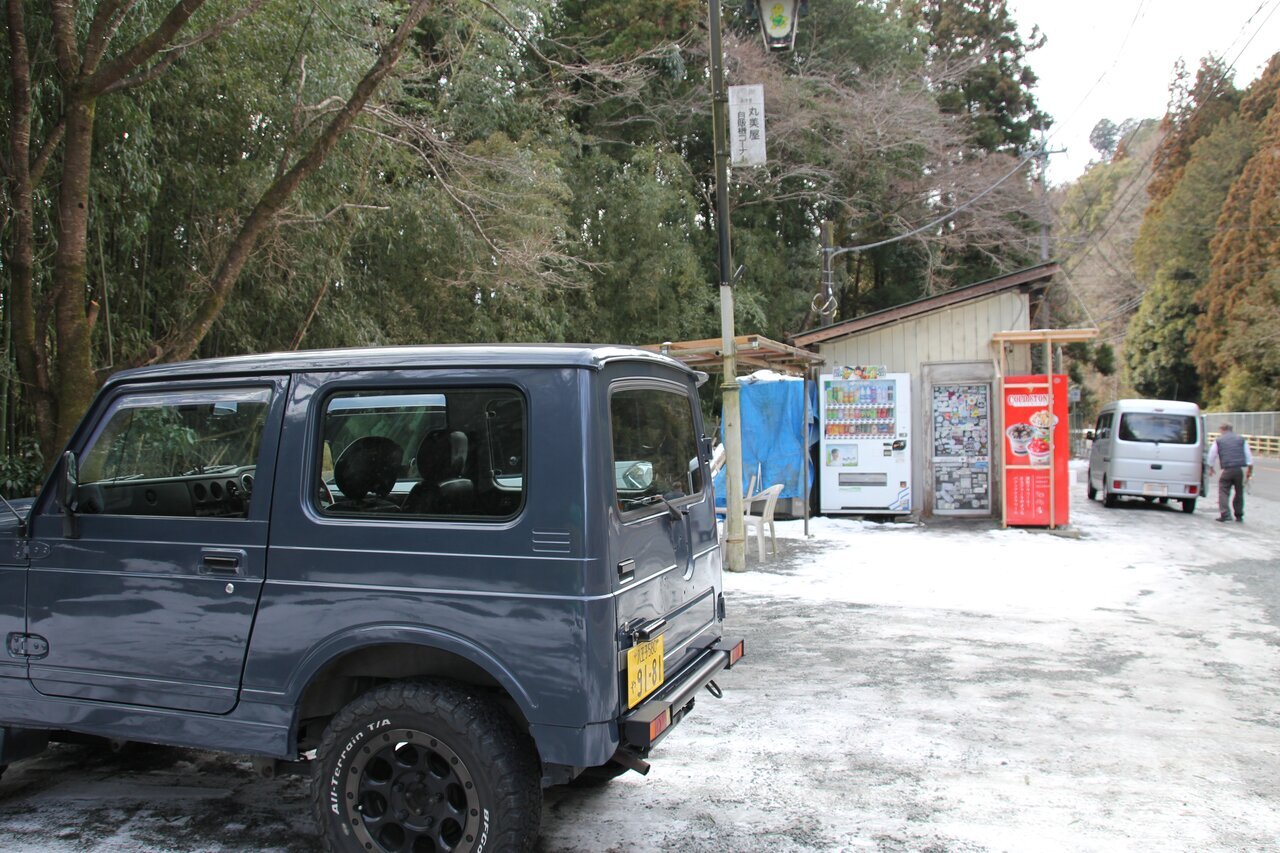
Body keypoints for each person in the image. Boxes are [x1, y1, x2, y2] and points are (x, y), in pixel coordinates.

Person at [1206, 422, 1254, 522]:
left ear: (1222, 429)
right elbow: (1249, 456)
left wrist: (1210, 467)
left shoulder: (1218, 441)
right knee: (1239, 492)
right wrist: (1249, 471)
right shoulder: (1241, 439)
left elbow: (1212, 455)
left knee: (1223, 490)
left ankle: (1225, 514)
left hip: (1227, 470)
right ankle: (1239, 514)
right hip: (1238, 470)